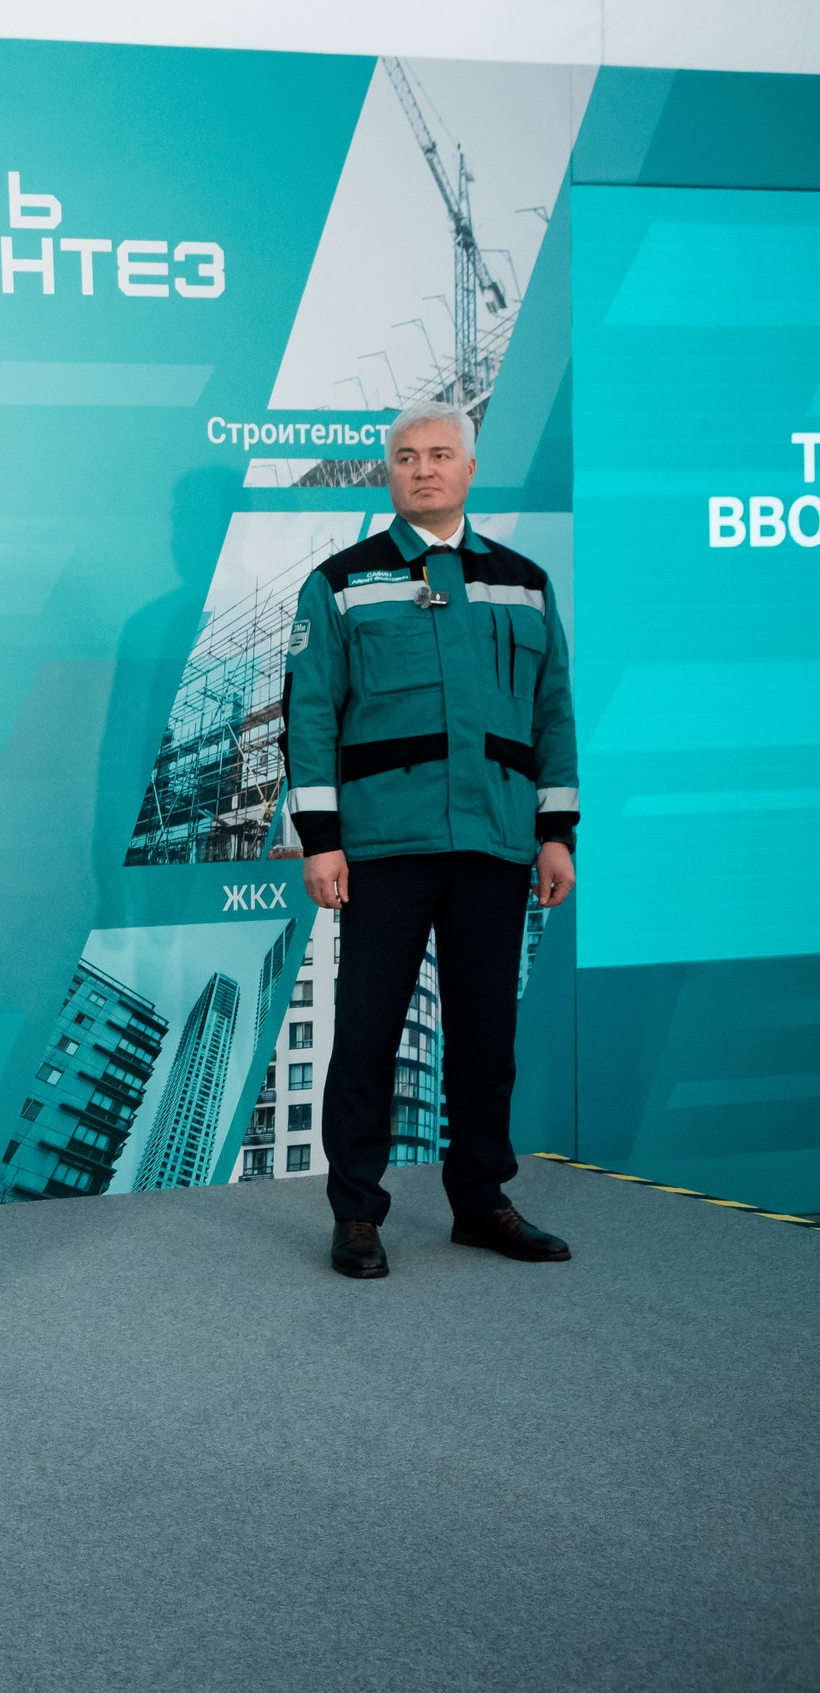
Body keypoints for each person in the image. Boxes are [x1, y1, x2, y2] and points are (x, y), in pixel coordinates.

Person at [283, 396, 578, 1281]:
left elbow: (552, 712)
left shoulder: (524, 582)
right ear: (390, 471)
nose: (422, 469)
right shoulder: (341, 581)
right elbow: (310, 714)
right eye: (407, 456)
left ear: (470, 468)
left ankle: (482, 1201)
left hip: (495, 840)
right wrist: (320, 839)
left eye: (440, 454)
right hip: (384, 844)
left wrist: (556, 833)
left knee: (486, 1036)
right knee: (367, 1034)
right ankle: (356, 1213)